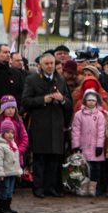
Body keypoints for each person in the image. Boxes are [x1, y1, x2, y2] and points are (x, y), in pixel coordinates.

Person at [22, 53, 72, 199]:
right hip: (40, 124)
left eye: (52, 63)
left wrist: (62, 99)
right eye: (47, 64)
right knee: (40, 159)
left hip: (56, 124)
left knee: (54, 160)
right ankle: (38, 187)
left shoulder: (61, 81)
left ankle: (51, 187)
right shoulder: (33, 80)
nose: (50, 66)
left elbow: (69, 103)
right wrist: (42, 100)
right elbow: (26, 101)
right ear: (41, 66)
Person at [0, 95, 28, 213]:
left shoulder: (18, 122)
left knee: (10, 183)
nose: (11, 110)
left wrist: (18, 151)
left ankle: (6, 205)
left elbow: (24, 138)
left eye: (13, 108)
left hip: (14, 156)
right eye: (8, 108)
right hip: (1, 157)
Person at [72, 89, 106, 196]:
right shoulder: (79, 115)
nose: (91, 102)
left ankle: (94, 189)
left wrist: (100, 146)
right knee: (83, 170)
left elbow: (101, 132)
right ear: (85, 101)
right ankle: (83, 188)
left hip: (95, 147)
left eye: (93, 100)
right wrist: (76, 145)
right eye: (89, 100)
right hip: (84, 146)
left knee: (96, 170)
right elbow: (75, 131)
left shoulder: (100, 115)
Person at [0, 118, 22, 213]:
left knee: (10, 190)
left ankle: (8, 206)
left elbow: (16, 159)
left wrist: (18, 171)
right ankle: (3, 208)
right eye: (7, 132)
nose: (10, 135)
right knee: (5, 189)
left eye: (12, 132)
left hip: (12, 172)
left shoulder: (13, 144)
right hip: (5, 172)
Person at [0, 44, 25, 109]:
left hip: (13, 111)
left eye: (9, 52)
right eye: (5, 52)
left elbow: (21, 92)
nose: (8, 55)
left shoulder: (16, 74)